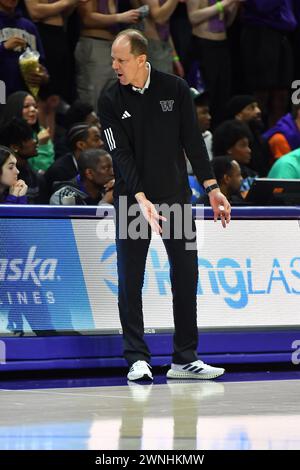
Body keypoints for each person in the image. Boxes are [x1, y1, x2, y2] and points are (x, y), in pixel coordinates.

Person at [99, 29, 230, 382]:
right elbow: (120, 155)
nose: (114, 66)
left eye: (121, 60)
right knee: (130, 278)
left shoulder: (175, 89)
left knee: (186, 275)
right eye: (113, 59)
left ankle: (184, 358)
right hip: (131, 202)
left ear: (142, 59)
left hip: (175, 199)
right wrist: (140, 198)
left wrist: (212, 187)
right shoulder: (110, 97)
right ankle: (137, 358)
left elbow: (192, 141)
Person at [0, 91, 55, 172]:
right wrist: (40, 143)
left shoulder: (42, 132)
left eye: (35, 106)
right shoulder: (5, 133)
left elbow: (46, 168)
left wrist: (42, 145)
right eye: (26, 106)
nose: (33, 110)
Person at [50, 148, 114, 205]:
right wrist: (104, 203)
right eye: (106, 168)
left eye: (113, 167)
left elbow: (123, 217)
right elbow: (74, 218)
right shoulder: (64, 196)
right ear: (89, 173)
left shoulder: (113, 190)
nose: (113, 172)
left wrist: (122, 193)